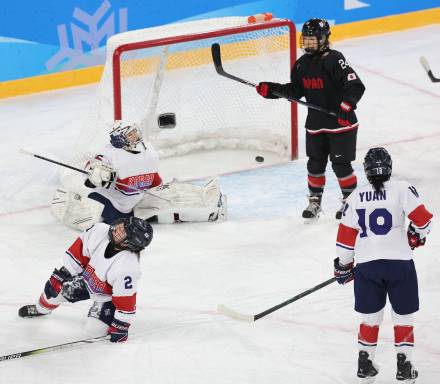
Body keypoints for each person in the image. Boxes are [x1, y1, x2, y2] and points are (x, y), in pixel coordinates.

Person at [333, 147, 433, 382]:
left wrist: (344, 266)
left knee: (370, 318)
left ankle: (365, 362)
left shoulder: (355, 196)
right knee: (403, 317)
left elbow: (345, 239)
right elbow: (424, 220)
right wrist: (416, 235)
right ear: (389, 168)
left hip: (368, 267)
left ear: (367, 171)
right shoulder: (401, 188)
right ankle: (405, 365)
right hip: (400, 265)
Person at [256, 18, 366, 221]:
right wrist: (271, 90)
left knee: (341, 165)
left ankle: (350, 203)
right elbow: (295, 91)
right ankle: (315, 202)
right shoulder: (301, 65)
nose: (307, 44)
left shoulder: (334, 59)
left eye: (312, 40)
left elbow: (356, 86)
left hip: (341, 124)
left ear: (323, 39)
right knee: (314, 165)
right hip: (316, 125)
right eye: (305, 40)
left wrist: (346, 106)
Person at [51, 120, 227, 230]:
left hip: (139, 199)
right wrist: (95, 176)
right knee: (98, 211)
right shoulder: (109, 154)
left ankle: (208, 202)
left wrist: (161, 189)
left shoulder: (148, 150)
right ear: (120, 139)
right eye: (131, 134)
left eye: (135, 132)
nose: (136, 136)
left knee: (172, 196)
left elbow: (154, 178)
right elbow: (92, 174)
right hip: (116, 204)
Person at [18, 217, 153, 343]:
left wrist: (121, 325)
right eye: (121, 226)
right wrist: (63, 274)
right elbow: (79, 251)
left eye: (122, 232)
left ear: (129, 243)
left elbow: (126, 300)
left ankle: (102, 313)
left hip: (106, 297)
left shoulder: (127, 267)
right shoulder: (100, 231)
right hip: (86, 279)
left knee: (95, 331)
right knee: (53, 291)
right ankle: (41, 309)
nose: (117, 229)